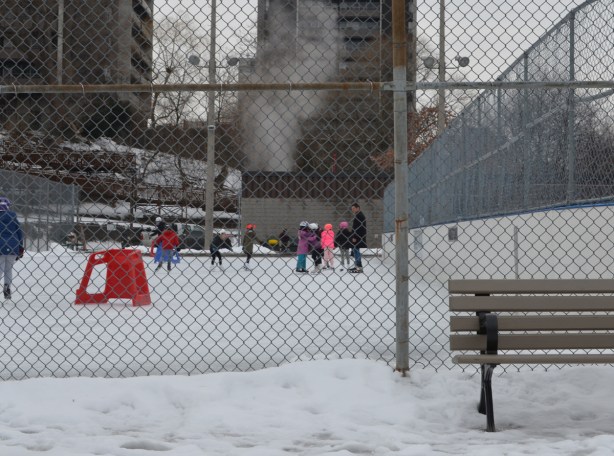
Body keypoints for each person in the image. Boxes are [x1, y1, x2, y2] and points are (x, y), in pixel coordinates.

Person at [0, 197, 24, 300]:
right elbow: (19, 233)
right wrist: (21, 247)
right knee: (8, 269)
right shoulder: (13, 217)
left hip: (0, 245)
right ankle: (7, 286)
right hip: (13, 245)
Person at [349, 203, 367, 273]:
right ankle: (357, 266)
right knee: (356, 250)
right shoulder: (359, 215)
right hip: (358, 236)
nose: (352, 210)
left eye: (353, 208)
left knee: (356, 251)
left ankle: (359, 267)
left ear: (358, 208)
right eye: (352, 209)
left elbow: (358, 228)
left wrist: (355, 237)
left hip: (358, 237)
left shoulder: (359, 216)